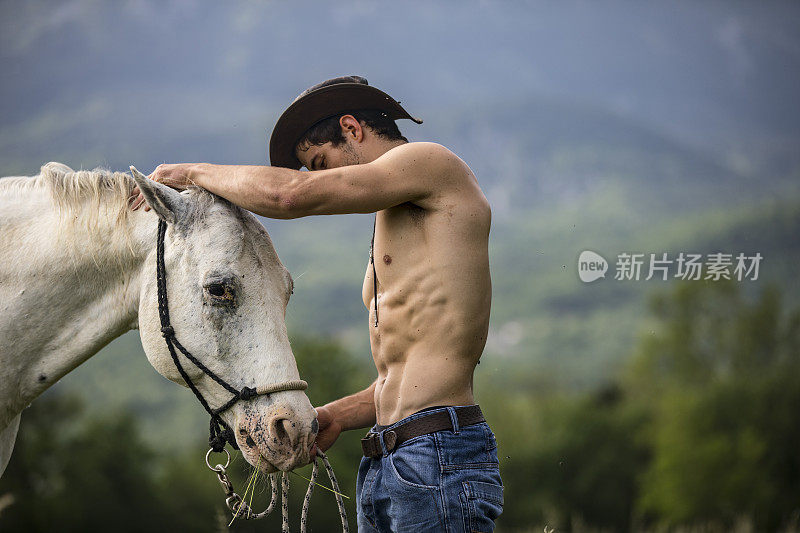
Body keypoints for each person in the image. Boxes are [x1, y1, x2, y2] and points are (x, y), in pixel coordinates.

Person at [131, 75, 503, 532]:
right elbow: (403, 378)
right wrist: (335, 416)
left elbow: (289, 195)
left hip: (438, 454)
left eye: (319, 161)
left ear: (352, 127)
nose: (322, 177)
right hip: (391, 459)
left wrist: (192, 173)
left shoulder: (430, 162)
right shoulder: (398, 217)